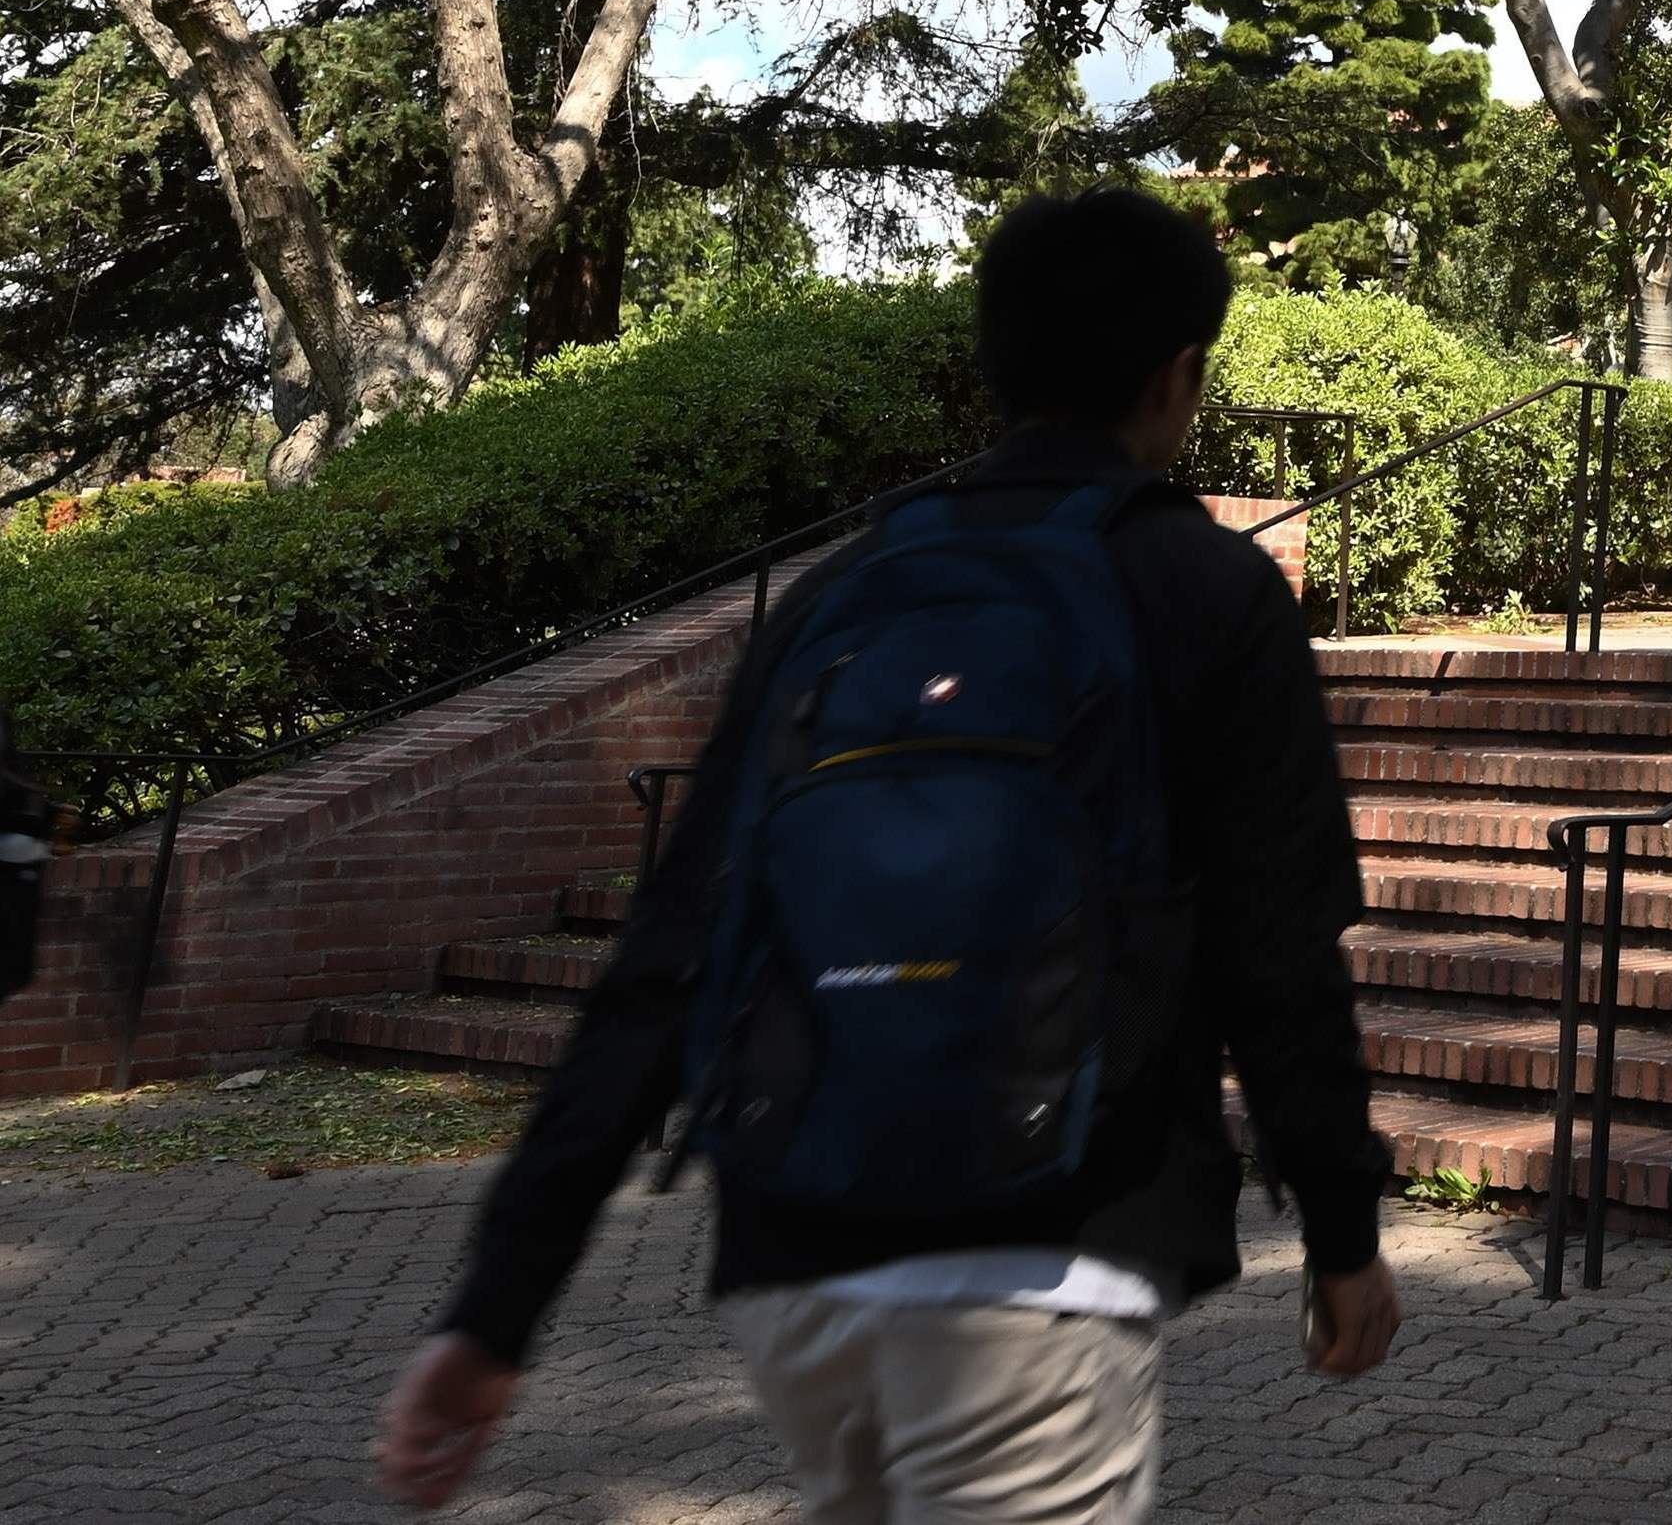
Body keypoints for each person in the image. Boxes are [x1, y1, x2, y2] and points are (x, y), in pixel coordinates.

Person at [373, 186, 1400, 1521]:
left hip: (796, 1255)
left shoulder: (843, 592)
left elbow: (666, 958)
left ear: (995, 358)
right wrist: (1344, 1232)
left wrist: (497, 1305)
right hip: (1042, 1267)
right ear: (1180, 373)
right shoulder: (1206, 588)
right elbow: (1280, 954)